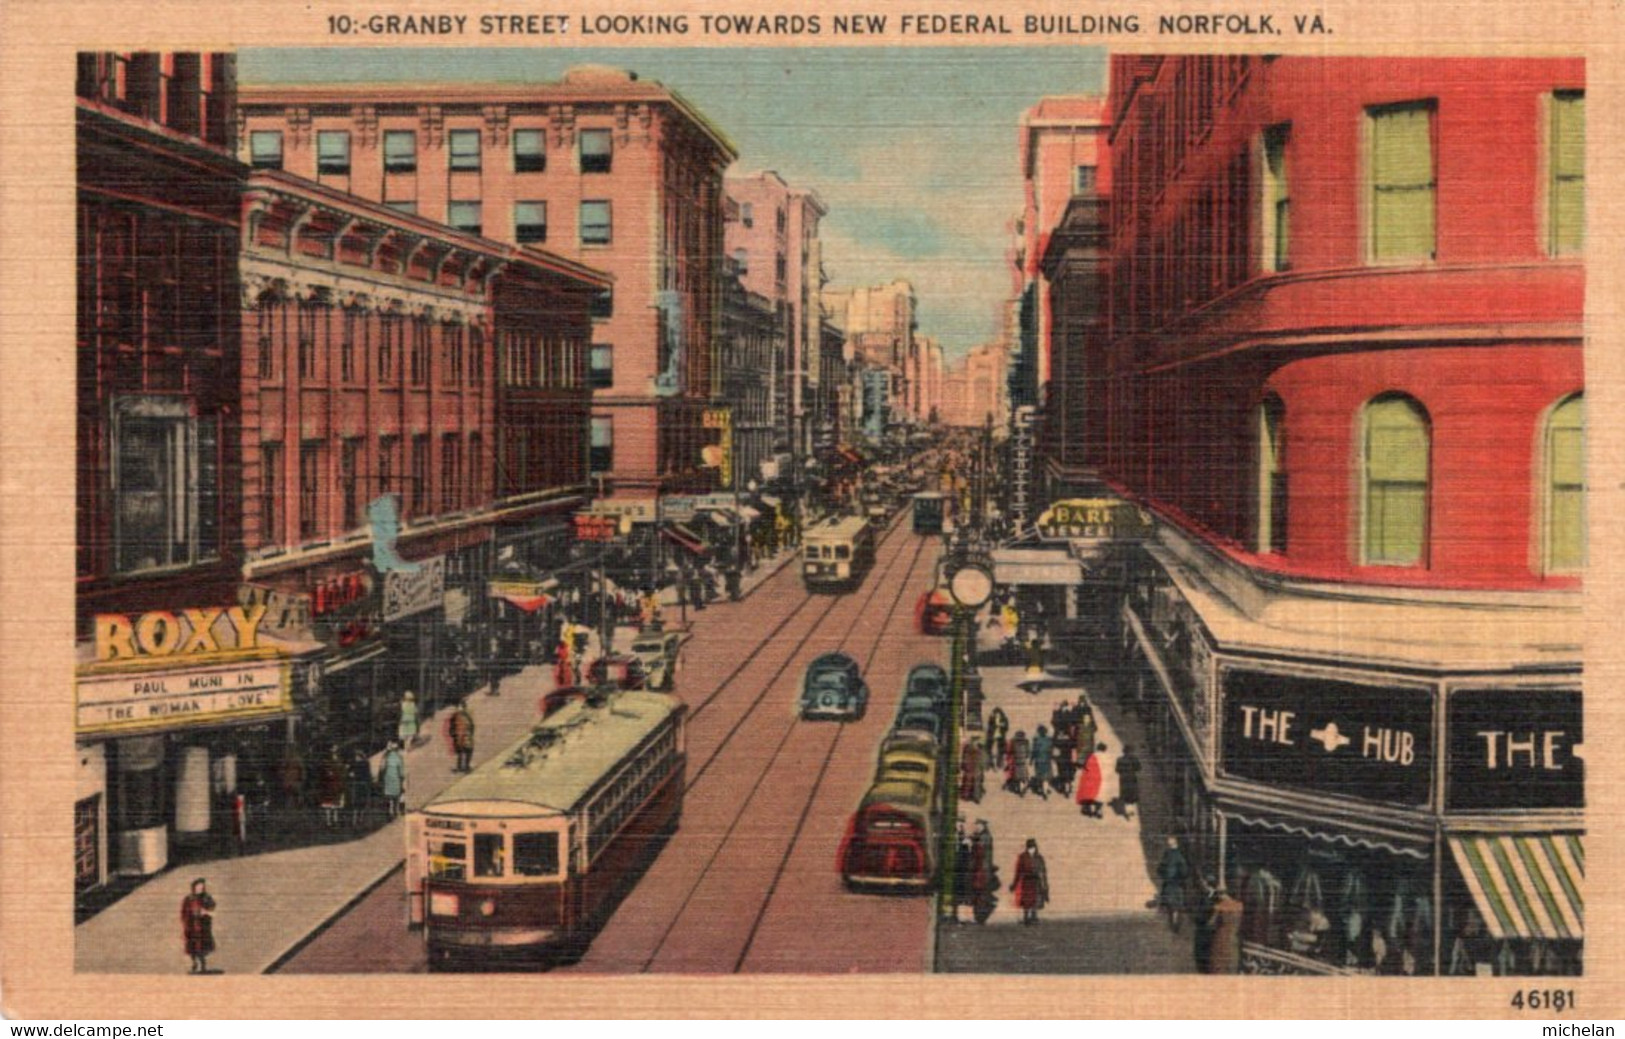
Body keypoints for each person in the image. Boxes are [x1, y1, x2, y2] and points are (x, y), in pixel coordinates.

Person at [1202, 887, 1246, 974]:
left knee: (1218, 965)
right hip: (1233, 939)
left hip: (1221, 938)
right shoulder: (1240, 906)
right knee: (1231, 964)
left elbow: (1210, 924)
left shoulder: (1220, 906)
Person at [1009, 838, 1050, 925]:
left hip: (1036, 882)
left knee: (1036, 900)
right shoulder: (1023, 857)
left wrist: (1045, 885)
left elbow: (1043, 871)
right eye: (1030, 847)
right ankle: (1026, 917)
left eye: (1033, 847)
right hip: (1027, 882)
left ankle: (1034, 917)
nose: (1031, 849)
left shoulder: (1039, 858)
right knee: (1027, 901)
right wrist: (1014, 884)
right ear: (1027, 848)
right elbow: (1018, 871)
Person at [180, 878, 216, 974]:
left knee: (202, 946)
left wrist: (206, 912)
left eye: (202, 886)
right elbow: (184, 912)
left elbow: (212, 910)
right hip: (191, 926)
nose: (200, 888)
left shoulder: (207, 897)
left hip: (202, 926)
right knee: (192, 946)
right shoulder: (189, 899)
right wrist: (186, 923)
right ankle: (194, 963)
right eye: (198, 886)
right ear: (194, 887)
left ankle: (202, 964)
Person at [1154, 836, 1191, 929]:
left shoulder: (1171, 854)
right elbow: (1184, 870)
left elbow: (1160, 868)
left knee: (1171, 903)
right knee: (1176, 903)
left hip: (1171, 882)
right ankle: (1175, 922)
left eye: (1170, 843)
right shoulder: (1179, 854)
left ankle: (1174, 921)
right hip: (1176, 882)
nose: (1169, 845)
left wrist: (1164, 875)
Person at [970, 820, 998, 924]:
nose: (977, 827)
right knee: (979, 893)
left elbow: (979, 852)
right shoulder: (983, 836)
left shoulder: (984, 837)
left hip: (982, 870)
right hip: (981, 869)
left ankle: (980, 916)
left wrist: (972, 841)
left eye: (978, 825)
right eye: (976, 825)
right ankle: (980, 916)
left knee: (980, 893)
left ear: (983, 826)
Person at [316, 746, 345, 829]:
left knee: (335, 805)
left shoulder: (340, 762)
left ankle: (335, 821)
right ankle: (328, 821)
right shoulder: (326, 762)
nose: (334, 753)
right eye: (333, 751)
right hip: (328, 786)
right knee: (328, 805)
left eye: (336, 752)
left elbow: (342, 773)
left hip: (337, 785)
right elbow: (323, 774)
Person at [1076, 742, 1105, 818]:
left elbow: (1087, 767)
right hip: (1104, 778)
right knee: (1101, 795)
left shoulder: (1092, 756)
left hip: (1093, 778)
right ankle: (1098, 810)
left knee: (1090, 793)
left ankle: (1087, 809)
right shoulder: (1108, 757)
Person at [346, 748, 373, 828]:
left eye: (356, 756)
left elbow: (350, 773)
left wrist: (351, 774)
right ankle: (359, 819)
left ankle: (354, 820)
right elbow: (368, 775)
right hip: (363, 785)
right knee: (361, 804)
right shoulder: (366, 763)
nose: (355, 758)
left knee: (356, 804)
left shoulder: (354, 764)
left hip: (357, 785)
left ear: (359, 756)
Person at [379, 740, 407, 818]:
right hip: (396, 779)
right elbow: (401, 771)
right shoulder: (398, 757)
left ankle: (389, 811)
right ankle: (395, 811)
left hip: (387, 779)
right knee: (396, 796)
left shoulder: (385, 757)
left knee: (389, 796)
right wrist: (402, 778)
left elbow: (381, 769)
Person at [1116, 744, 1143, 819]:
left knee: (1125, 793)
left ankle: (1127, 811)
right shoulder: (1134, 759)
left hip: (1123, 778)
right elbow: (1139, 768)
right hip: (1132, 777)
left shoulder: (1119, 759)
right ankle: (1131, 811)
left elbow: (1117, 770)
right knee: (1132, 793)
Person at [449, 701, 476, 773]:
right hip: (464, 736)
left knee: (462, 752)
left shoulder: (456, 716)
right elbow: (472, 726)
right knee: (467, 751)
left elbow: (451, 729)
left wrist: (453, 735)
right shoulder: (464, 715)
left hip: (462, 737)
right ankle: (465, 767)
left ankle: (461, 767)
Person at [1029, 725, 1053, 799]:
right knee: (1046, 777)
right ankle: (1045, 791)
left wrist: (1031, 760)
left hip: (1039, 761)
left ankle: (1042, 789)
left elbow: (1034, 751)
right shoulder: (1049, 740)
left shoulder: (1036, 740)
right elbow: (1051, 751)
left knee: (1040, 776)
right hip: (1047, 760)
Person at [1005, 729, 1030, 796]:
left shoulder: (1013, 742)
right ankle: (1022, 789)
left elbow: (1010, 751)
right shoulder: (1026, 742)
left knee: (1018, 776)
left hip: (1016, 761)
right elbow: (1028, 752)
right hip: (1023, 761)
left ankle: (1019, 789)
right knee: (1023, 776)